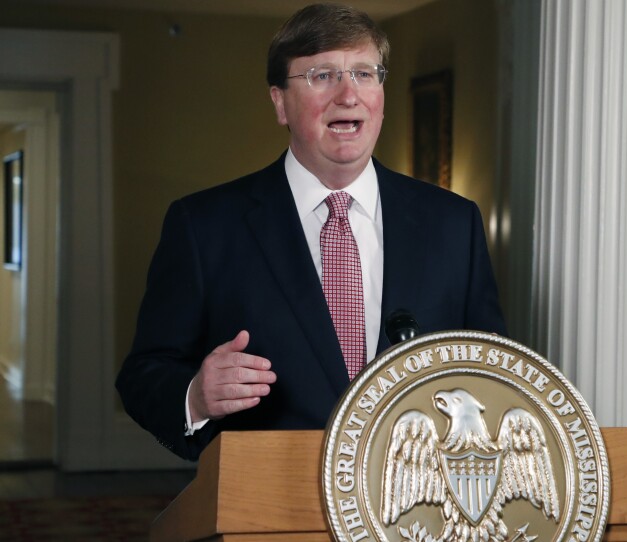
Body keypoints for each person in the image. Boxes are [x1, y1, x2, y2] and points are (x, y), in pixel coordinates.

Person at [115, 3, 506, 461]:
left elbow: (492, 376)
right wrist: (195, 396)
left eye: (364, 73)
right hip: (266, 503)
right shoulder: (204, 226)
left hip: (411, 506)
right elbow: (143, 375)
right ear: (280, 102)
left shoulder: (454, 223)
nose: (348, 95)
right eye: (322, 75)